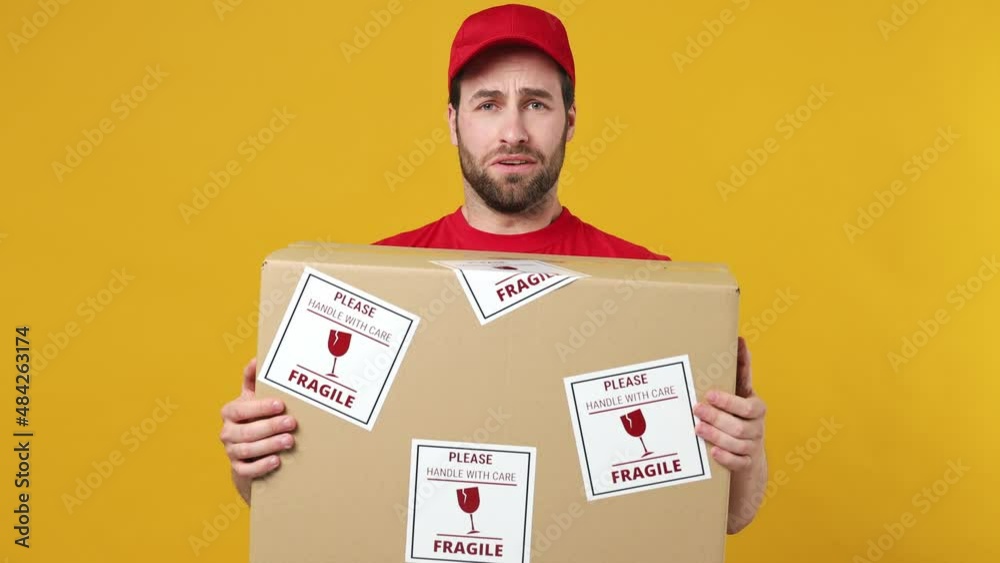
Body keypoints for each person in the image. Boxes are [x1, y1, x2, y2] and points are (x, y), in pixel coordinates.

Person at [219, 3, 768, 534]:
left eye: (535, 103)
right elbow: (298, 487)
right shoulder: (371, 288)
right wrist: (253, 455)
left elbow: (722, 516)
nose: (513, 133)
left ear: (570, 121)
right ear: (454, 122)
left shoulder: (649, 288)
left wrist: (744, 450)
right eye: (487, 105)